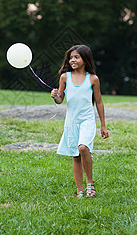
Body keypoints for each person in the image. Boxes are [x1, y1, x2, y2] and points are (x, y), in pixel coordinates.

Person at [50, 45, 109, 198]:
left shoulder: (93, 79)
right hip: (71, 121)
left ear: (85, 59)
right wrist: (55, 96)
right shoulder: (65, 77)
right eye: (70, 58)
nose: (72, 60)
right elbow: (60, 100)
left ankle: (90, 184)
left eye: (76, 57)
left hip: (87, 120)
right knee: (75, 155)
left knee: (83, 148)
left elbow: (99, 102)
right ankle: (80, 191)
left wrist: (103, 125)